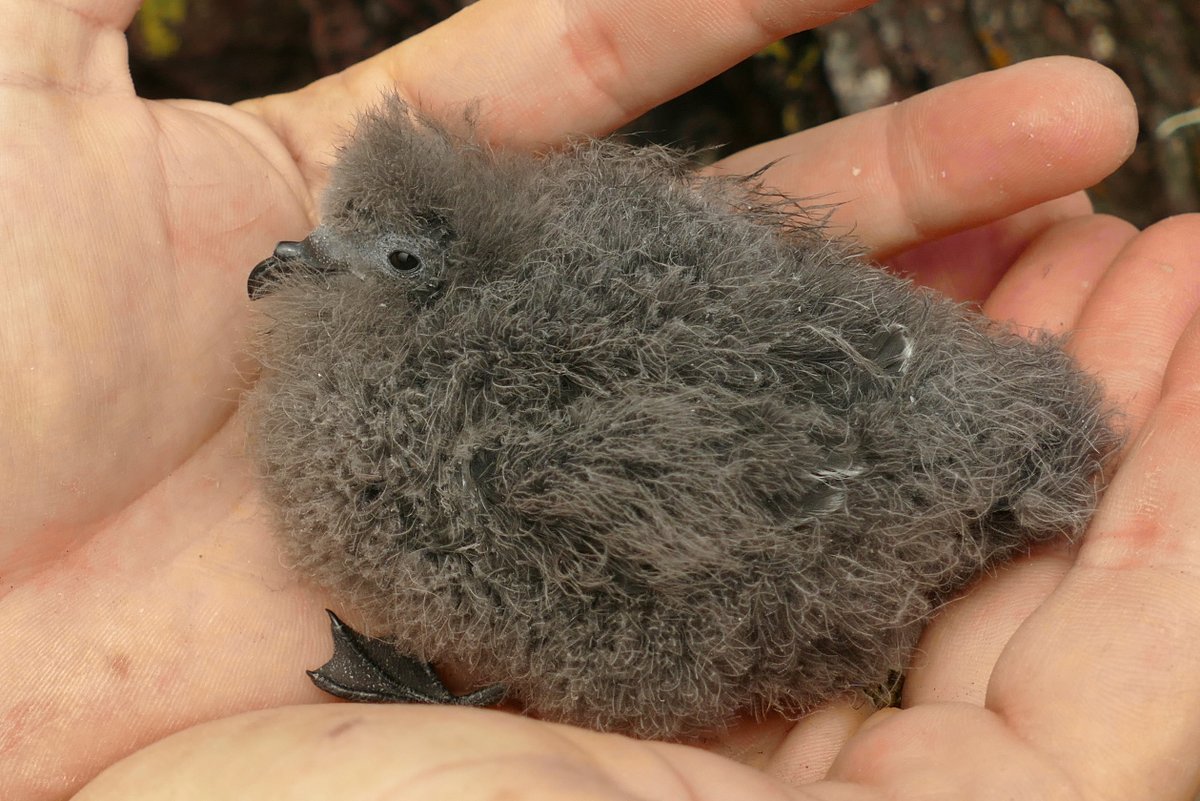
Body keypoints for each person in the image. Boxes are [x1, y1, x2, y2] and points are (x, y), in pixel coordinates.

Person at [3, 0, 1196, 798]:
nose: (303, 262)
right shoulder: (446, 363)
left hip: (833, 502)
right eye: (336, 238)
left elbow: (732, 520)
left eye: (392, 260)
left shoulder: (511, 440)